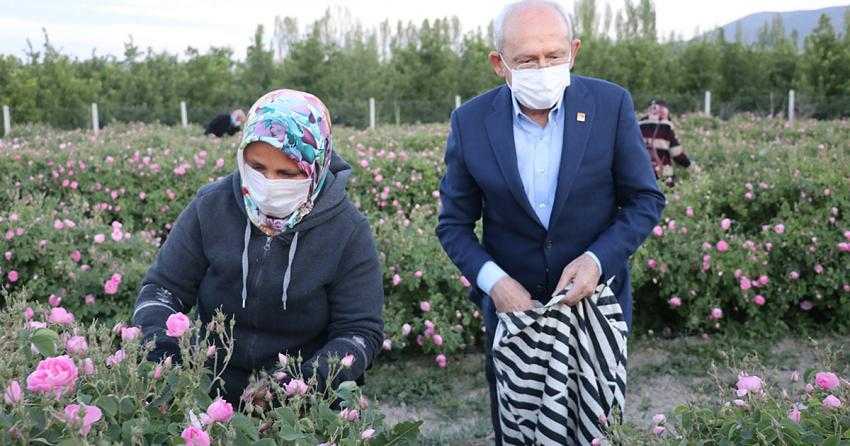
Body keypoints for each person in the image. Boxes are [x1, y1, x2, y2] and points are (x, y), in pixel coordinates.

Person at [435, 1, 665, 443]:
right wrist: (495, 283)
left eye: (553, 56)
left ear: (573, 51)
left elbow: (644, 199)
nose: (542, 68)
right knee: (519, 426)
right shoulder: (471, 122)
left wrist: (598, 260)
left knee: (595, 426)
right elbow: (454, 225)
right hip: (513, 315)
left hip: (594, 309)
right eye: (526, 60)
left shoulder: (610, 105)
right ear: (499, 64)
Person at [133, 90, 384, 405]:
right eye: (257, 167)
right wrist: (167, 360)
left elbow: (360, 330)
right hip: (208, 383)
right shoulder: (211, 206)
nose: (268, 184)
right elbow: (162, 289)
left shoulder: (347, 230)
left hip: (304, 397)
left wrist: (299, 387)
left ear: (316, 166)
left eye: (287, 173)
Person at [639, 100, 691, 186]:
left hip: (641, 172)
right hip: (663, 171)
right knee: (667, 194)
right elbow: (676, 153)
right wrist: (688, 164)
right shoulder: (666, 127)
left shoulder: (639, 125)